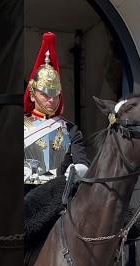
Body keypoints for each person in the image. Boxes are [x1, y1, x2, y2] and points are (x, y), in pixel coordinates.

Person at [23, 31, 89, 185]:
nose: (51, 100)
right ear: (32, 95)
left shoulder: (70, 129)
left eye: (55, 94)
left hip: (58, 197)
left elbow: (83, 160)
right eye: (45, 94)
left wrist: (79, 168)